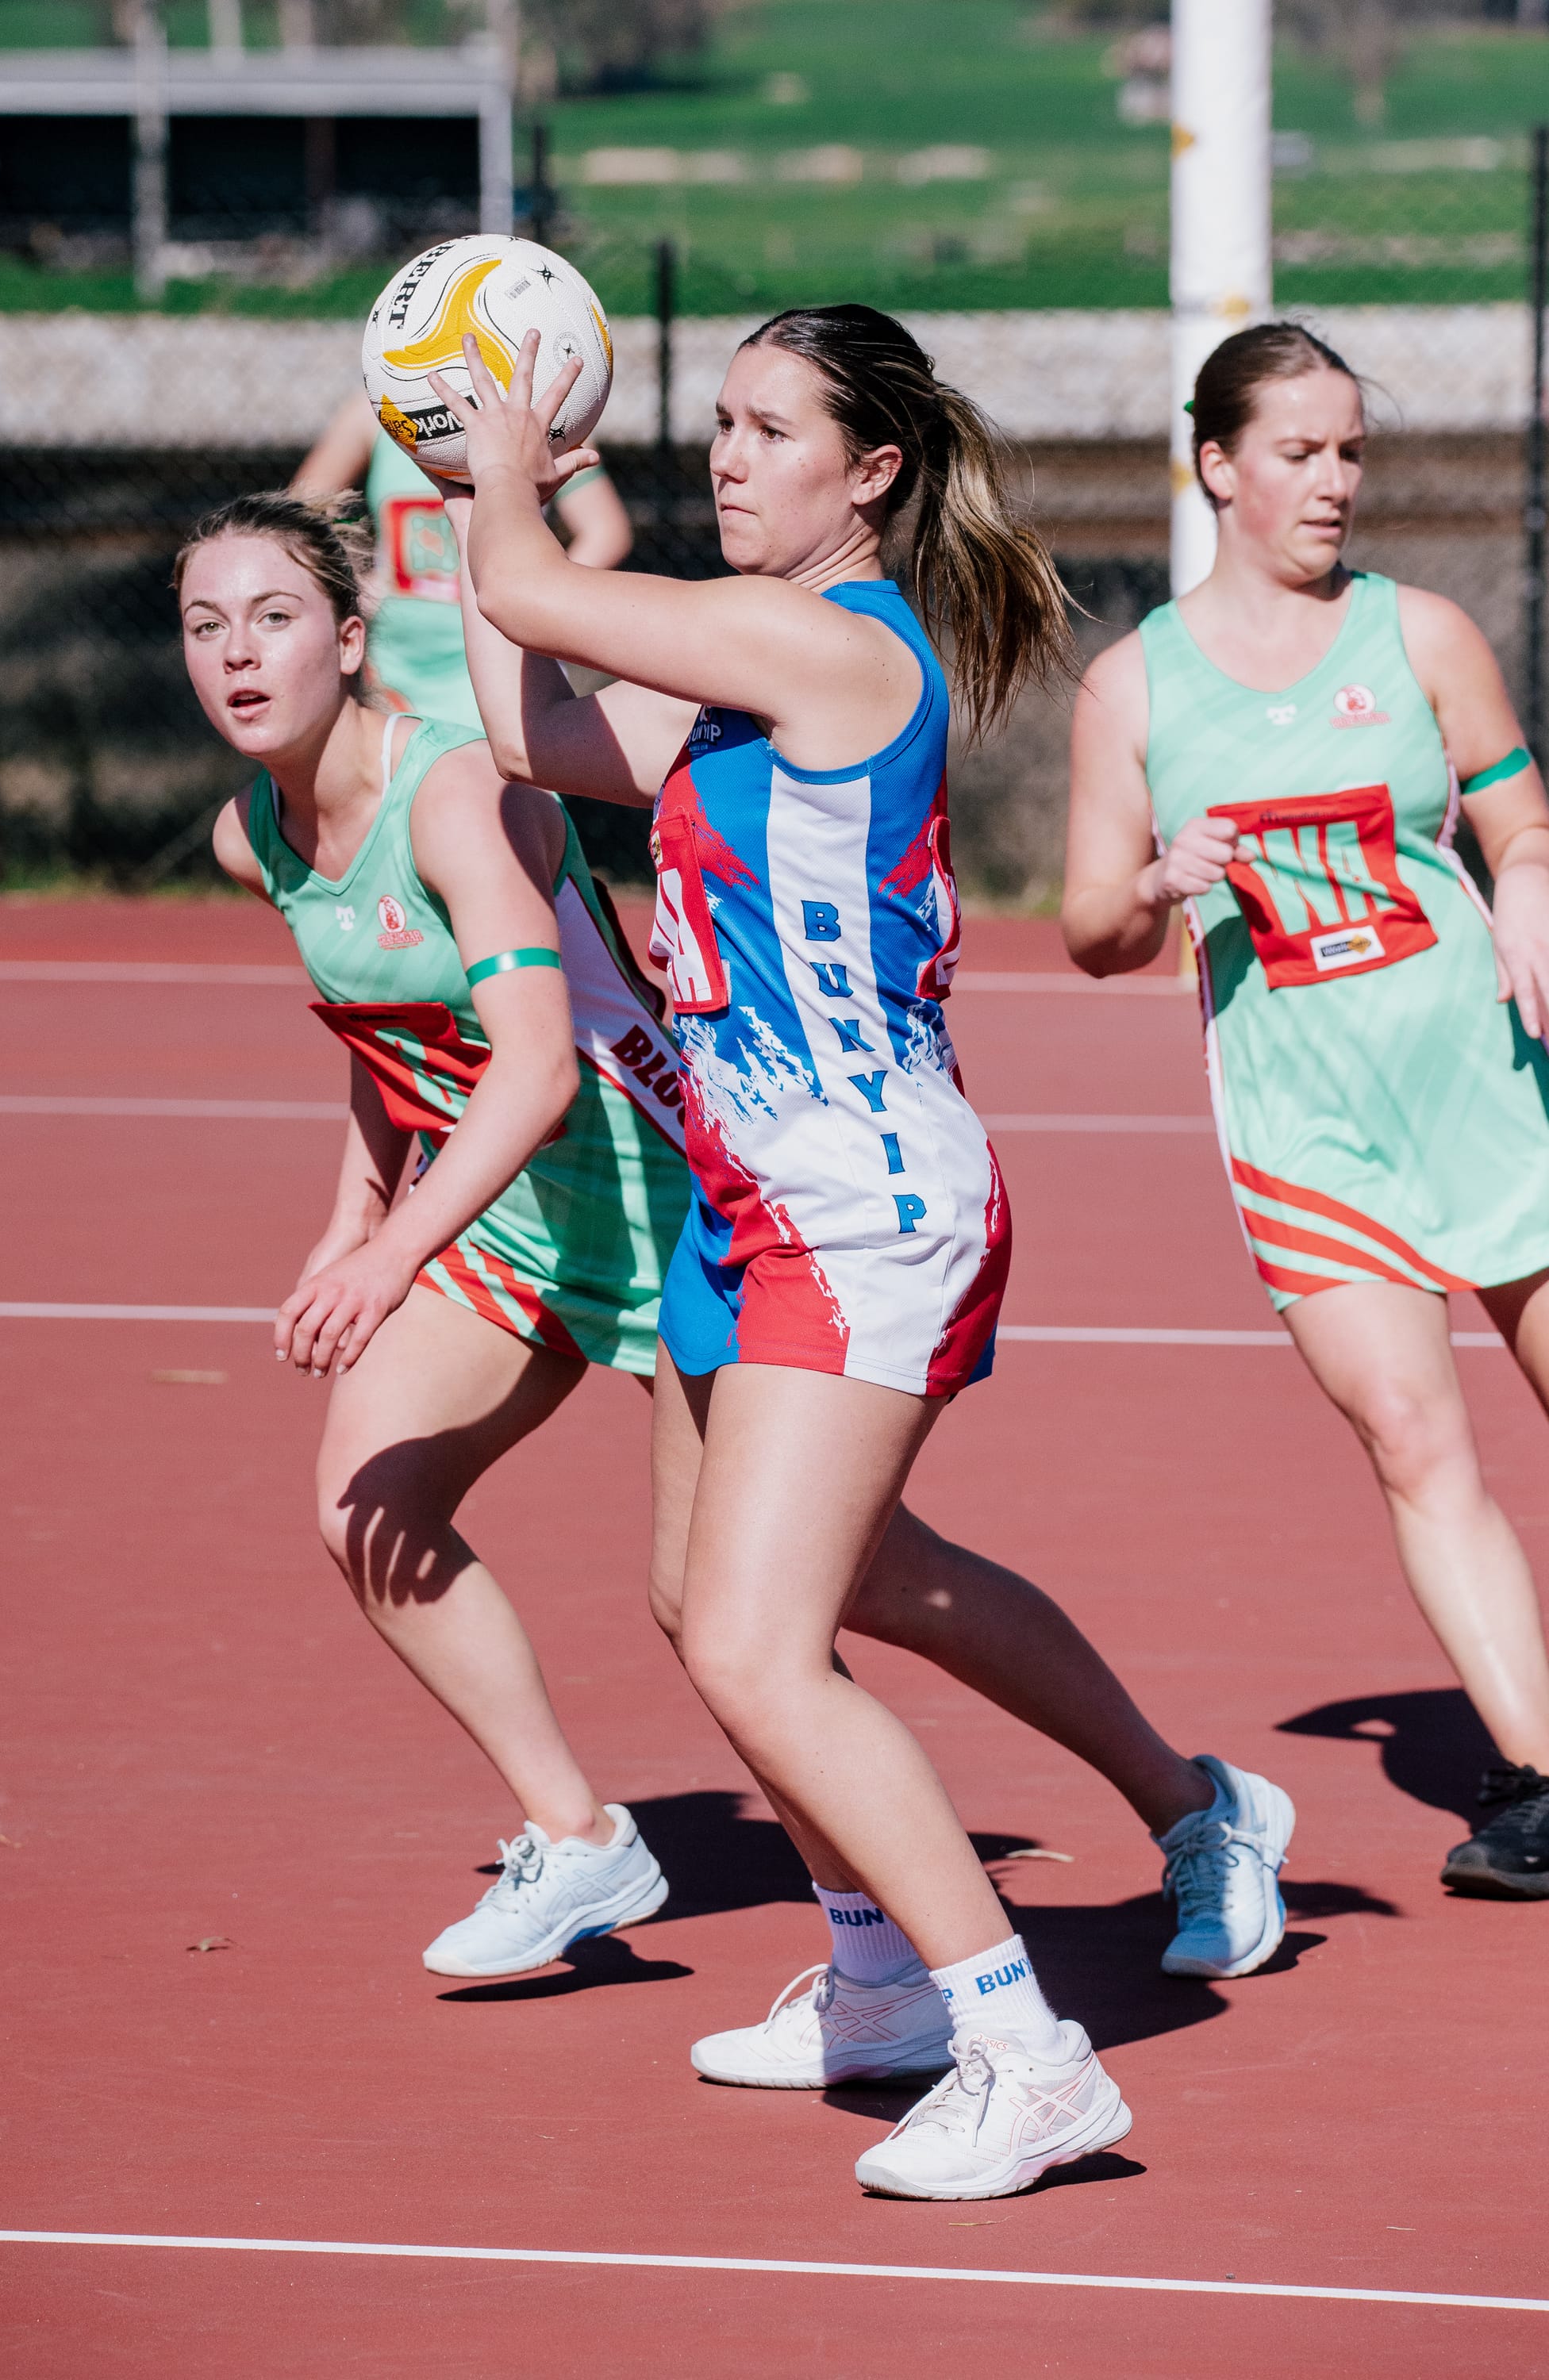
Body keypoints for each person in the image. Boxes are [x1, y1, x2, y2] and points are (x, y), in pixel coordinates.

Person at [425, 302, 1294, 2201]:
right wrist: (496, 496)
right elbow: (523, 712)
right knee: (730, 1592)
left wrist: (499, 463)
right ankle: (888, 1971)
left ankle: (1024, 2047)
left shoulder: (823, 650)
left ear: (868, 472)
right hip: (753, 1198)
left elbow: (520, 586)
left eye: (764, 429)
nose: (726, 457)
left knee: (758, 1633)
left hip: (863, 1206)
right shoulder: (732, 678)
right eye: (715, 426)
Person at [1064, 321, 1549, 1902]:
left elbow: (1511, 807)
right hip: (1304, 1126)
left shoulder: (1419, 637)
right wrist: (1151, 879)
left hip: (1480, 1085)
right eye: (1300, 452)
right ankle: (1541, 1771)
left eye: (1349, 453)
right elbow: (1091, 933)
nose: (1333, 482)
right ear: (1217, 465)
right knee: (1416, 1441)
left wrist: (1530, 885)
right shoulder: (1133, 687)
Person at [177, 489, 689, 1978]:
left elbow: (532, 1067)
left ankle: (1187, 1804)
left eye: (273, 618)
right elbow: (381, 1027)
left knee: (769, 1605)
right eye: (205, 628)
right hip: (505, 1222)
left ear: (351, 637)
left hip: (664, 1206)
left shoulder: (456, 794)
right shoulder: (251, 833)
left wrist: (389, 1253)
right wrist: (349, 1213)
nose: (238, 655)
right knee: (370, 1502)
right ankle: (583, 1840)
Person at [294, 389, 632, 727]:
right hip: (398, 672)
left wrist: (533, 594)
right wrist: (352, 587)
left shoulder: (541, 410)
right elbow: (300, 514)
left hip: (508, 662)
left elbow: (605, 531)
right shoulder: (377, 411)